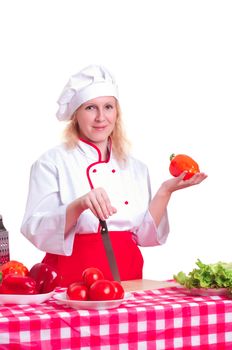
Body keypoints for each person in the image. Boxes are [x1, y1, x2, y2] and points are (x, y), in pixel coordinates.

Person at [21, 64, 207, 286]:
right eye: (91, 108)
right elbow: (36, 230)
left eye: (108, 107)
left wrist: (165, 192)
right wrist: (79, 205)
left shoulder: (135, 167)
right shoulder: (51, 163)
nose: (101, 117)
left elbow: (145, 237)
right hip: (70, 280)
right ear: (75, 114)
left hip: (128, 276)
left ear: (116, 113)